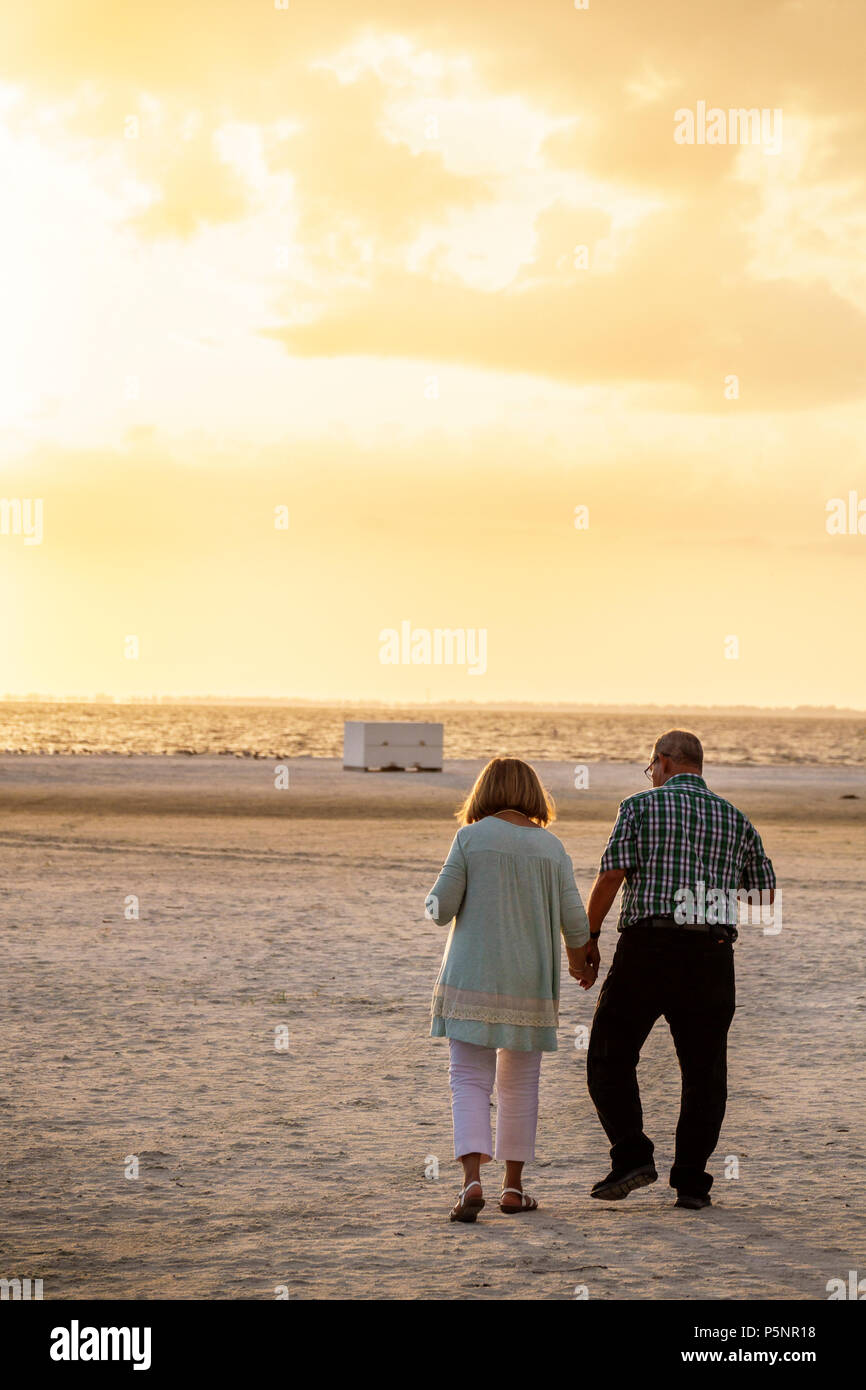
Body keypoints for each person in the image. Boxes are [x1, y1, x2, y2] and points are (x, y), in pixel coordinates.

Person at [582, 729, 776, 1209]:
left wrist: (589, 935)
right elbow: (765, 896)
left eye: (651, 768)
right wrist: (712, 891)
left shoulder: (639, 807)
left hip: (647, 946)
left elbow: (612, 874)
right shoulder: (736, 818)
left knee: (609, 1054)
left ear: (663, 762)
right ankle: (691, 1182)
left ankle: (632, 1155)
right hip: (711, 952)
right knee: (704, 1072)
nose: (651, 776)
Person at [426, 756, 592, 1222]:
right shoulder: (551, 847)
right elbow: (574, 919)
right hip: (529, 983)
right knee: (520, 1086)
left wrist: (430, 900)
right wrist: (583, 961)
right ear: (533, 794)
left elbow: (440, 909)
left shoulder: (469, 838)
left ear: (483, 792)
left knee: (469, 1079)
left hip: (472, 978)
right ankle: (514, 1188)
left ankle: (471, 1182)